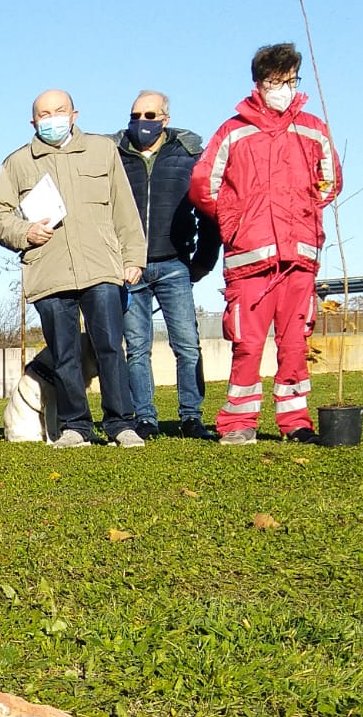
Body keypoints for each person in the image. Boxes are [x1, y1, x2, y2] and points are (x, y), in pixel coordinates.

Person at [191, 43, 340, 445]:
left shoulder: (312, 128)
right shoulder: (233, 131)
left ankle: (296, 423)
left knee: (295, 346)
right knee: (248, 344)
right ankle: (239, 424)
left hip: (299, 258)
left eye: (291, 80)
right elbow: (203, 185)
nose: (284, 88)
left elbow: (331, 181)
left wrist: (306, 212)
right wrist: (235, 220)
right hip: (249, 260)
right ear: (259, 82)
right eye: (277, 80)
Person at [0, 89, 146, 449]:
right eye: (44, 114)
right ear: (33, 121)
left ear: (74, 114)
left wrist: (133, 256)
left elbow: (124, 207)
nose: (52, 118)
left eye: (59, 111)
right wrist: (25, 232)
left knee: (109, 347)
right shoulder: (17, 163)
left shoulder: (103, 150)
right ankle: (75, 426)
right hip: (48, 272)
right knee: (65, 353)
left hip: (102, 266)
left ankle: (122, 423)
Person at [112, 90, 222, 440]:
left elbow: (208, 212)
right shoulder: (115, 156)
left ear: (165, 118)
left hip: (175, 264)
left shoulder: (189, 156)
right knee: (137, 348)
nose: (141, 122)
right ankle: (145, 417)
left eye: (149, 115)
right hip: (131, 268)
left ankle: (191, 415)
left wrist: (202, 261)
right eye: (135, 115)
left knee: (187, 344)